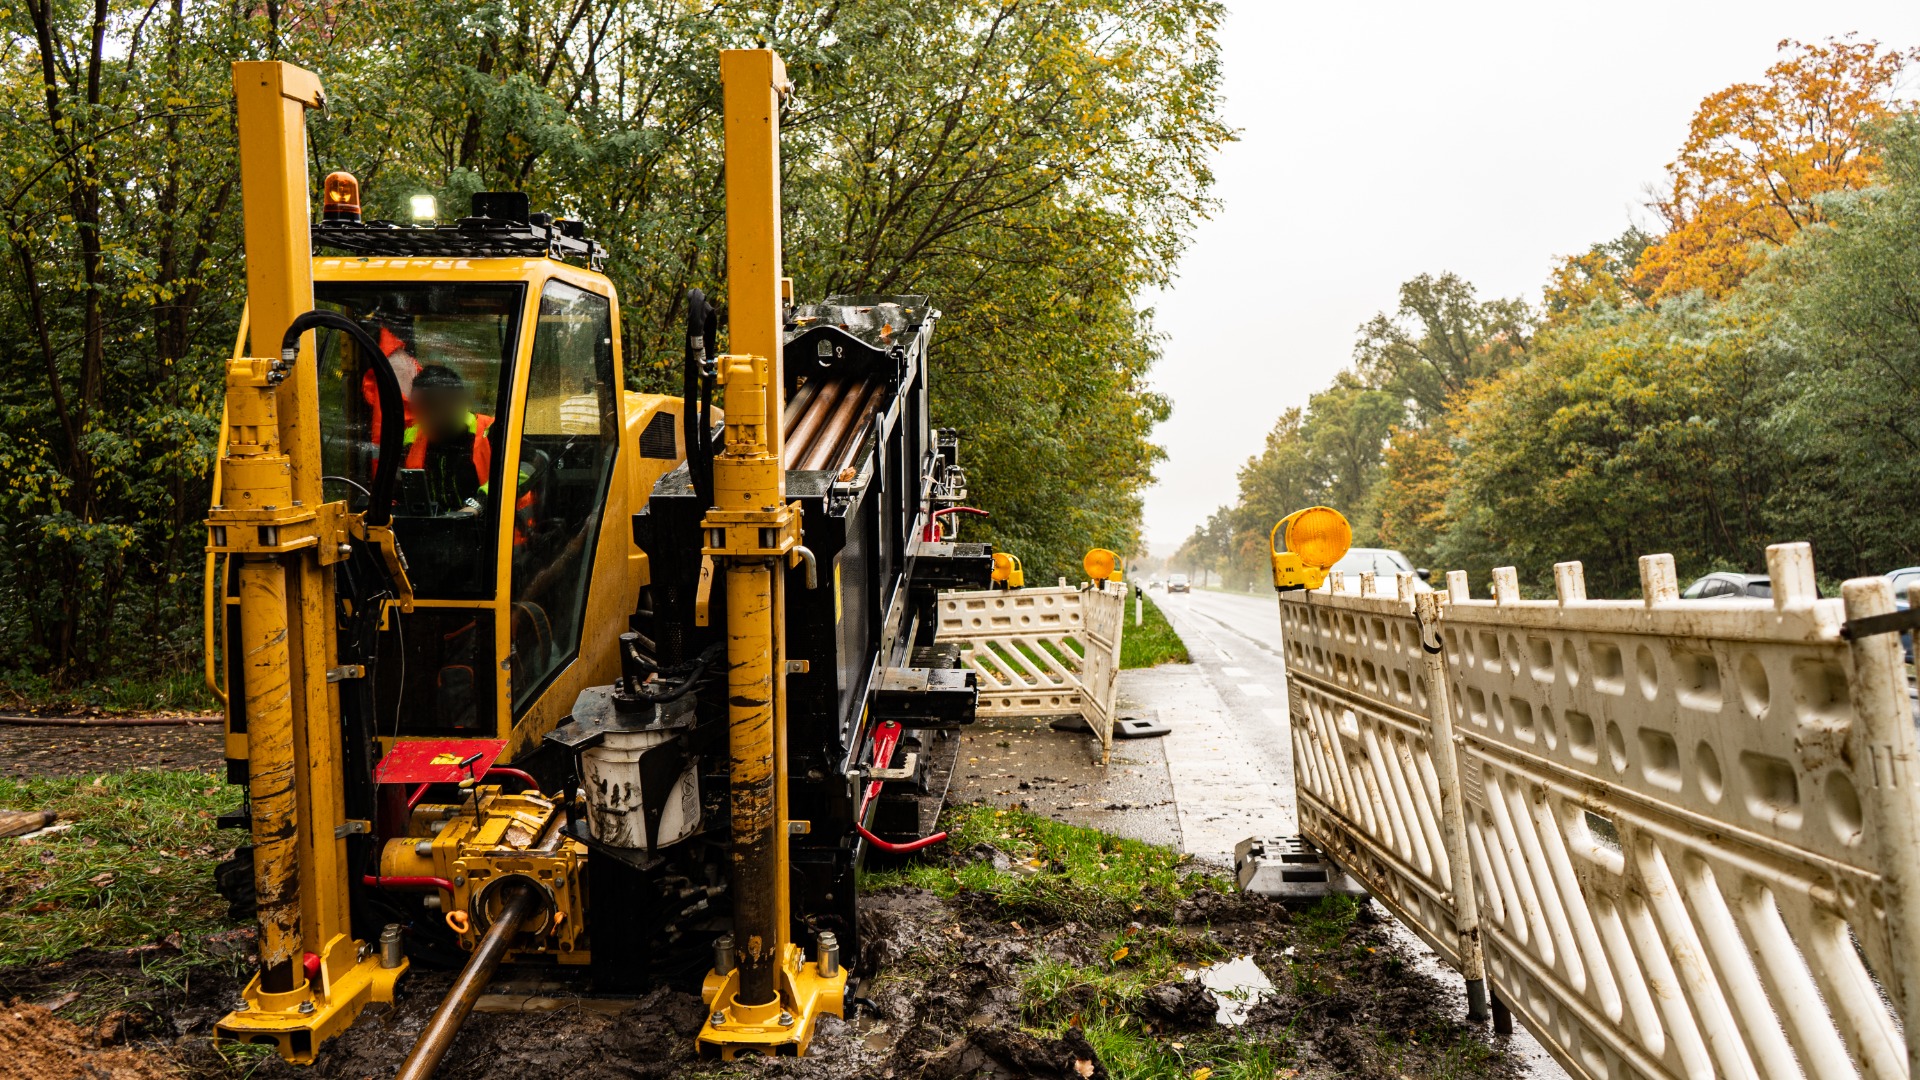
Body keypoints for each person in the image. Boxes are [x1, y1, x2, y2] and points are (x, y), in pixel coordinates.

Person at [404, 365, 495, 513]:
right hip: (432, 525)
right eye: (419, 409)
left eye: (434, 406)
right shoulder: (410, 437)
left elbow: (528, 466)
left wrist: (479, 504)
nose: (427, 417)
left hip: (491, 525)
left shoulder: (491, 430)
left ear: (459, 402)